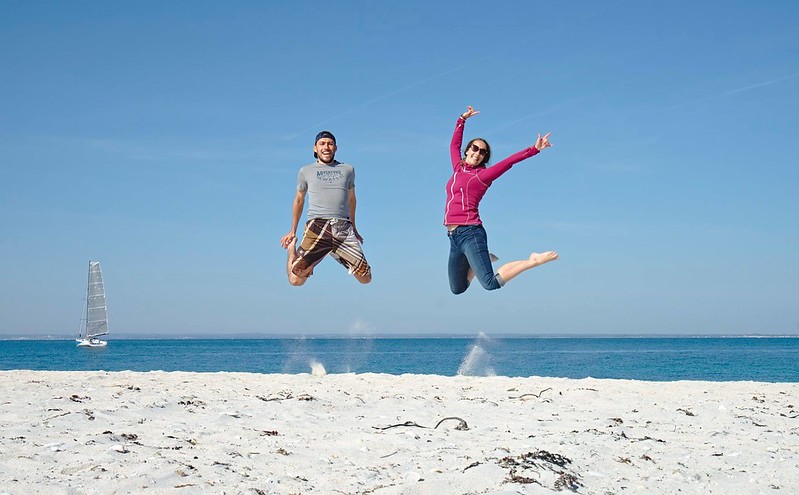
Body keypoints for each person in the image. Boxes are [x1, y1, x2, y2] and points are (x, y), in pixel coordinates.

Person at [444, 105, 558, 294]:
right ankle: (483, 259)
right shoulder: (458, 168)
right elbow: (453, 145)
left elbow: (508, 162)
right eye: (474, 148)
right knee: (458, 288)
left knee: (490, 283)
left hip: (471, 233)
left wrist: (534, 149)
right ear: (467, 150)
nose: (477, 153)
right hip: (453, 237)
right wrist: (461, 120)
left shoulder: (482, 176)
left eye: (483, 152)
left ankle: (533, 260)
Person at [280, 131, 372, 286]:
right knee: (296, 280)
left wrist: (354, 227)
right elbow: (299, 200)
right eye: (322, 144)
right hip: (317, 226)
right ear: (315, 149)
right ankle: (293, 251)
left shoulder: (348, 169)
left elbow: (351, 199)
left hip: (343, 228)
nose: (326, 147)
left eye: (330, 144)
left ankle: (333, 249)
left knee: (365, 278)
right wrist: (292, 231)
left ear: (335, 148)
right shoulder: (306, 171)